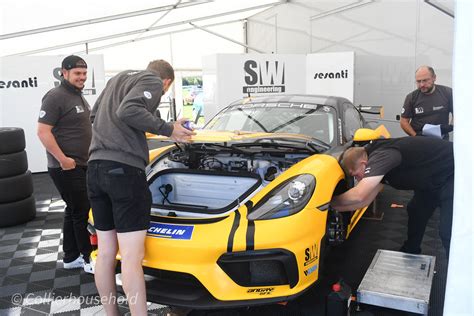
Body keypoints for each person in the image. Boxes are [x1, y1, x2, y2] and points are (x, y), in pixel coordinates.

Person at [87, 59, 194, 315]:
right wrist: (168, 129)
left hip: (95, 169)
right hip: (123, 173)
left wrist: (146, 124)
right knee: (132, 259)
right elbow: (128, 111)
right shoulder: (153, 80)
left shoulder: (118, 78)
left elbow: (95, 115)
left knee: (105, 254)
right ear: (166, 82)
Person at [331, 137, 454, 257]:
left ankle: (461, 271)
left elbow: (359, 194)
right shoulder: (378, 165)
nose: (358, 179)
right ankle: (411, 250)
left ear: (363, 164)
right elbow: (364, 201)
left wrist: (325, 202)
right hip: (431, 180)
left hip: (453, 173)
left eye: (356, 175)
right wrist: (331, 208)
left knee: (448, 231)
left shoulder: (382, 156)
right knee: (416, 210)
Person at [37, 55, 93, 273]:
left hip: (81, 164)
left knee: (74, 210)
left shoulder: (78, 96)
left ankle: (71, 257)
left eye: (84, 73)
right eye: (78, 73)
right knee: (81, 211)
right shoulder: (55, 96)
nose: (82, 77)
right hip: (66, 166)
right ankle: (88, 258)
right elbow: (43, 132)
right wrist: (63, 159)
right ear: (64, 72)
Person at [400, 66, 453, 140]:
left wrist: (451, 126)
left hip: (441, 140)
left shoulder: (447, 93)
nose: (422, 85)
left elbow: (458, 113)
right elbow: (403, 122)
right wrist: (415, 136)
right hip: (419, 140)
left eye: (425, 80)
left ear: (434, 78)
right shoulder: (411, 97)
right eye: (418, 81)